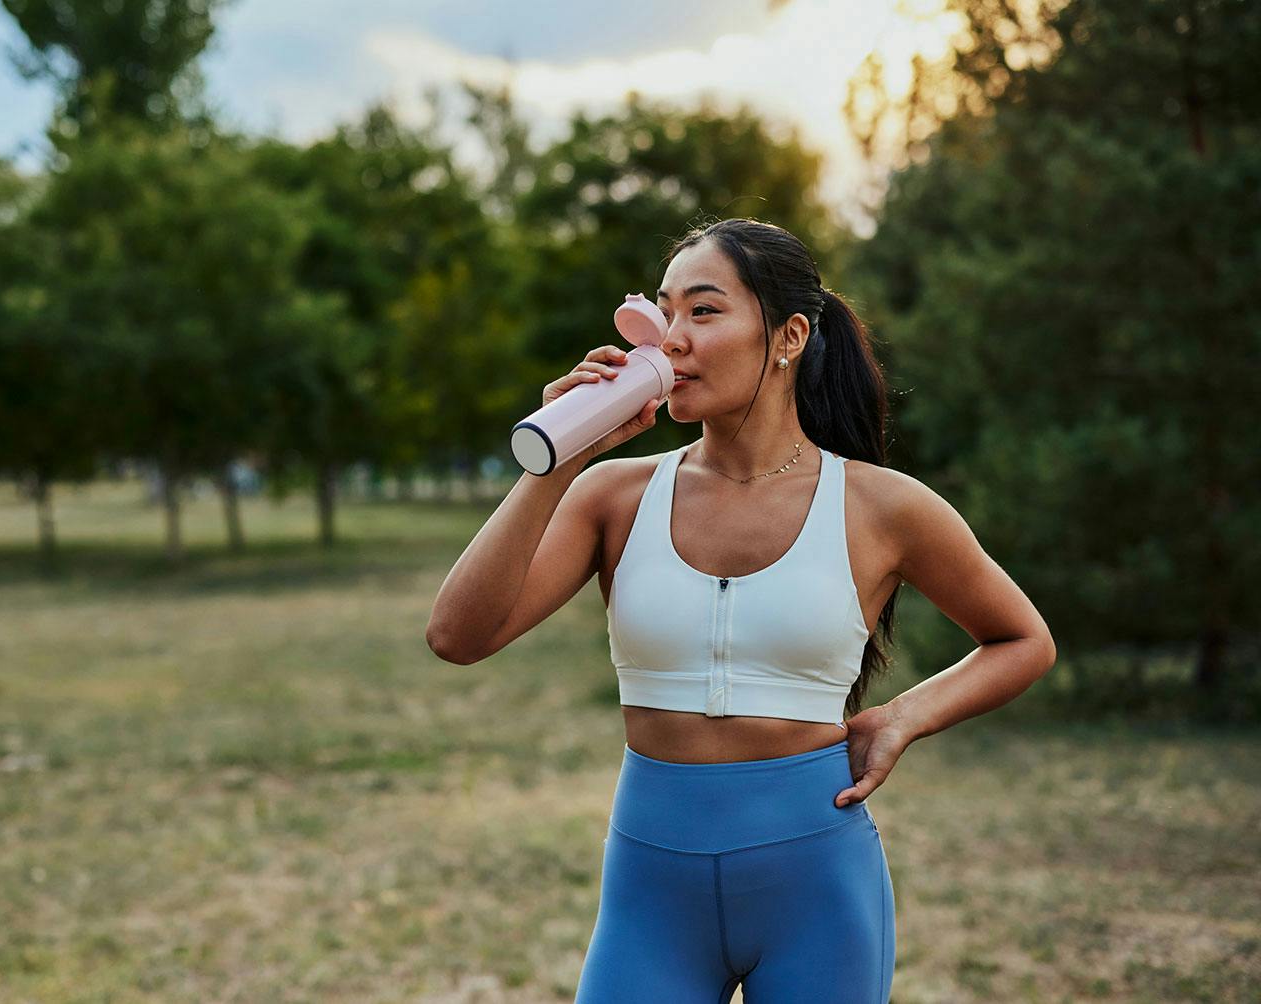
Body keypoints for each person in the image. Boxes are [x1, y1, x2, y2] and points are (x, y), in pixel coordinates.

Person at [426, 216, 1057, 1003]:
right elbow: (457, 635)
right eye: (664, 314)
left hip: (818, 894)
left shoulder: (882, 506)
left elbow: (1022, 640)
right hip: (650, 899)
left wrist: (905, 716)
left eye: (704, 310)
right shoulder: (613, 495)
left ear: (789, 337)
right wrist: (557, 462)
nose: (671, 340)